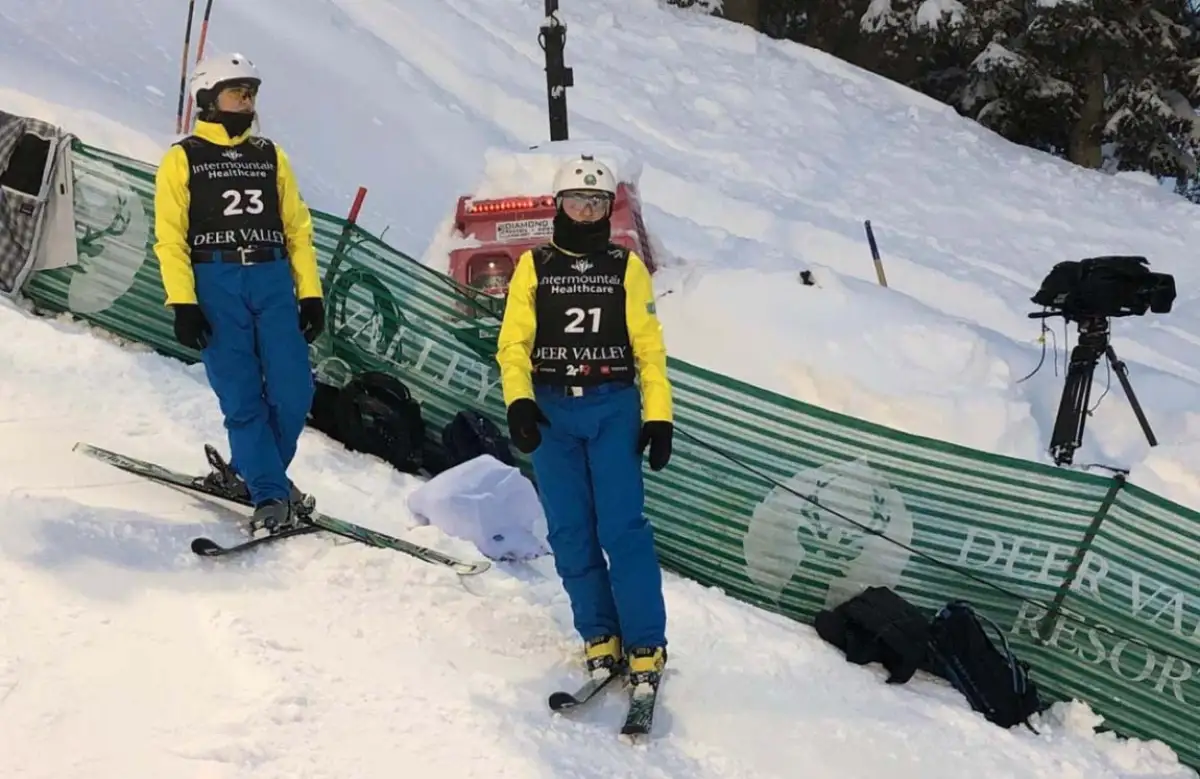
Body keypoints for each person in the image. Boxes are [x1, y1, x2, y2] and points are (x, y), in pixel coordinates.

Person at [495, 154, 675, 690]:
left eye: (597, 203)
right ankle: (598, 633)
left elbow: (649, 348)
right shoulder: (535, 266)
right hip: (552, 408)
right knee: (570, 529)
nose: (586, 211)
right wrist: (519, 402)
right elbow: (513, 343)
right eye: (577, 201)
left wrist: (659, 415)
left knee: (622, 528)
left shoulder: (626, 267)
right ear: (559, 205)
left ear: (608, 209)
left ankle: (645, 641)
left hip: (611, 405)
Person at [152, 52, 325, 534]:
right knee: (242, 396)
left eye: (251, 95)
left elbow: (298, 229)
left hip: (271, 278)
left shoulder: (271, 154)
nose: (248, 103)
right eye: (237, 93)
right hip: (217, 281)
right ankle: (269, 493)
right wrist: (183, 302)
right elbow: (170, 238)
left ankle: (252, 472)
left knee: (294, 390)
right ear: (208, 99)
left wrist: (310, 294)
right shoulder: (182, 157)